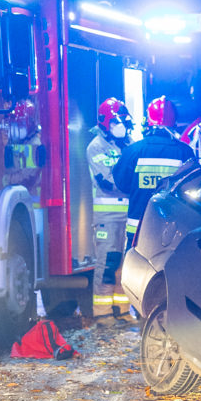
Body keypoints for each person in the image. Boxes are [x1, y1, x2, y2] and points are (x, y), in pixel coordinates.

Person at [112, 96, 195, 249]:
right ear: (174, 121)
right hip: (173, 229)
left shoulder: (133, 151)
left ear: (148, 121)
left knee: (135, 269)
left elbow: (121, 185)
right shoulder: (185, 152)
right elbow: (193, 189)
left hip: (137, 227)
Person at [87, 98, 133, 318]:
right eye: (115, 121)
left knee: (126, 265)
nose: (120, 125)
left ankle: (122, 310)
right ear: (105, 123)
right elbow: (106, 183)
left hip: (129, 215)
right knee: (107, 264)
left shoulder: (130, 144)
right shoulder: (96, 147)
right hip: (108, 216)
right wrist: (134, 187)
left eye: (122, 120)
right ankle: (103, 313)